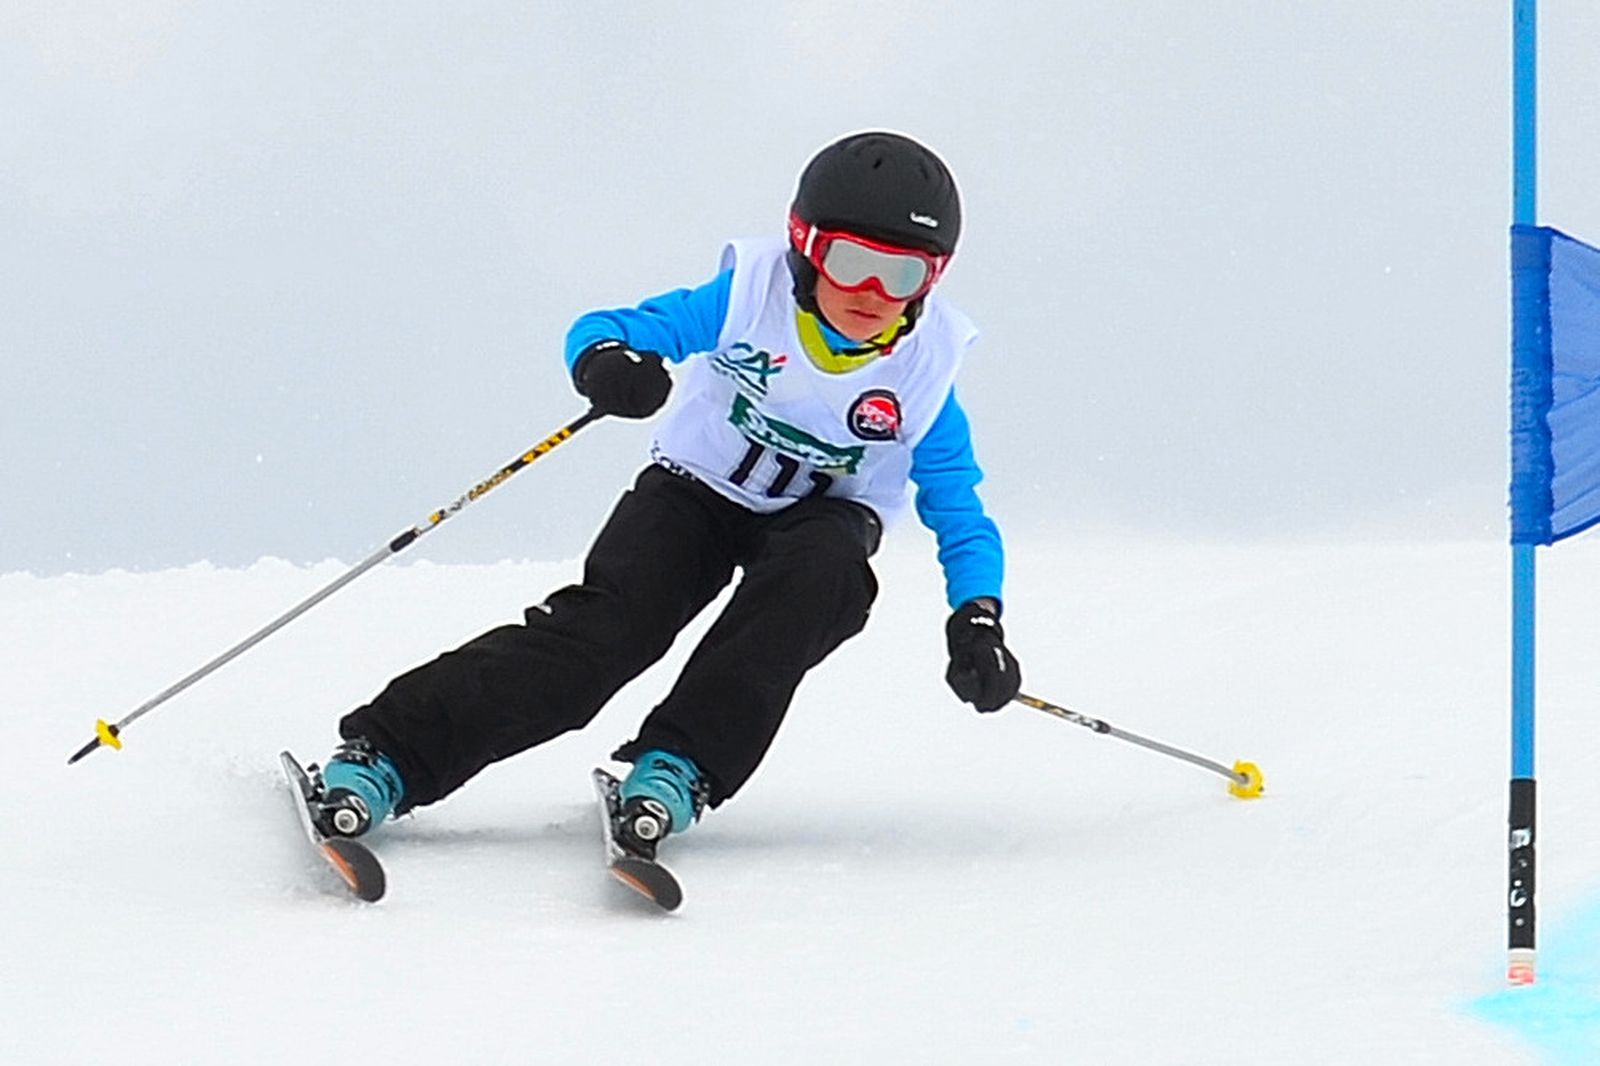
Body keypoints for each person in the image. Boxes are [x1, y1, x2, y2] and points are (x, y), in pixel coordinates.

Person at [305, 130, 1023, 858]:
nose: (873, 293)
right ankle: (387, 756)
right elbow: (606, 328)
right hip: (695, 495)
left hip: (820, 525)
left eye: (902, 274)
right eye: (852, 262)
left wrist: (978, 618)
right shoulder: (749, 298)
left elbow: (961, 515)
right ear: (806, 248)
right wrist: (609, 363)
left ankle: (679, 767)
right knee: (605, 638)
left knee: (815, 581)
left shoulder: (925, 377)